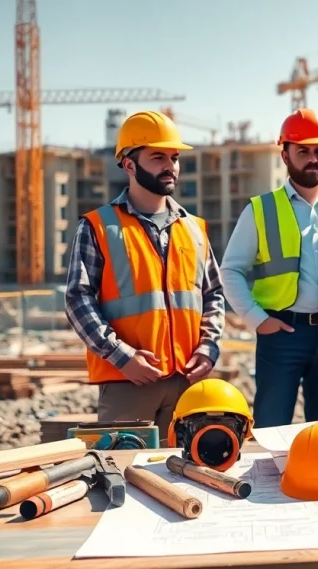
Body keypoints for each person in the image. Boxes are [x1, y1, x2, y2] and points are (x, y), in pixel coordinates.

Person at [64, 110, 225, 433]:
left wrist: (208, 349)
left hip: (187, 382)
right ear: (128, 164)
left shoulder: (194, 228)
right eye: (157, 157)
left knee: (185, 478)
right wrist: (121, 356)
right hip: (128, 382)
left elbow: (213, 295)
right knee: (122, 474)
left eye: (174, 157)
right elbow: (78, 299)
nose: (170, 166)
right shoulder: (99, 226)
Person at [219, 108, 318, 428]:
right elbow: (230, 270)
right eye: (303, 151)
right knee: (271, 427)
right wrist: (258, 320)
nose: (313, 158)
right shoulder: (260, 209)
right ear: (285, 155)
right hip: (282, 333)